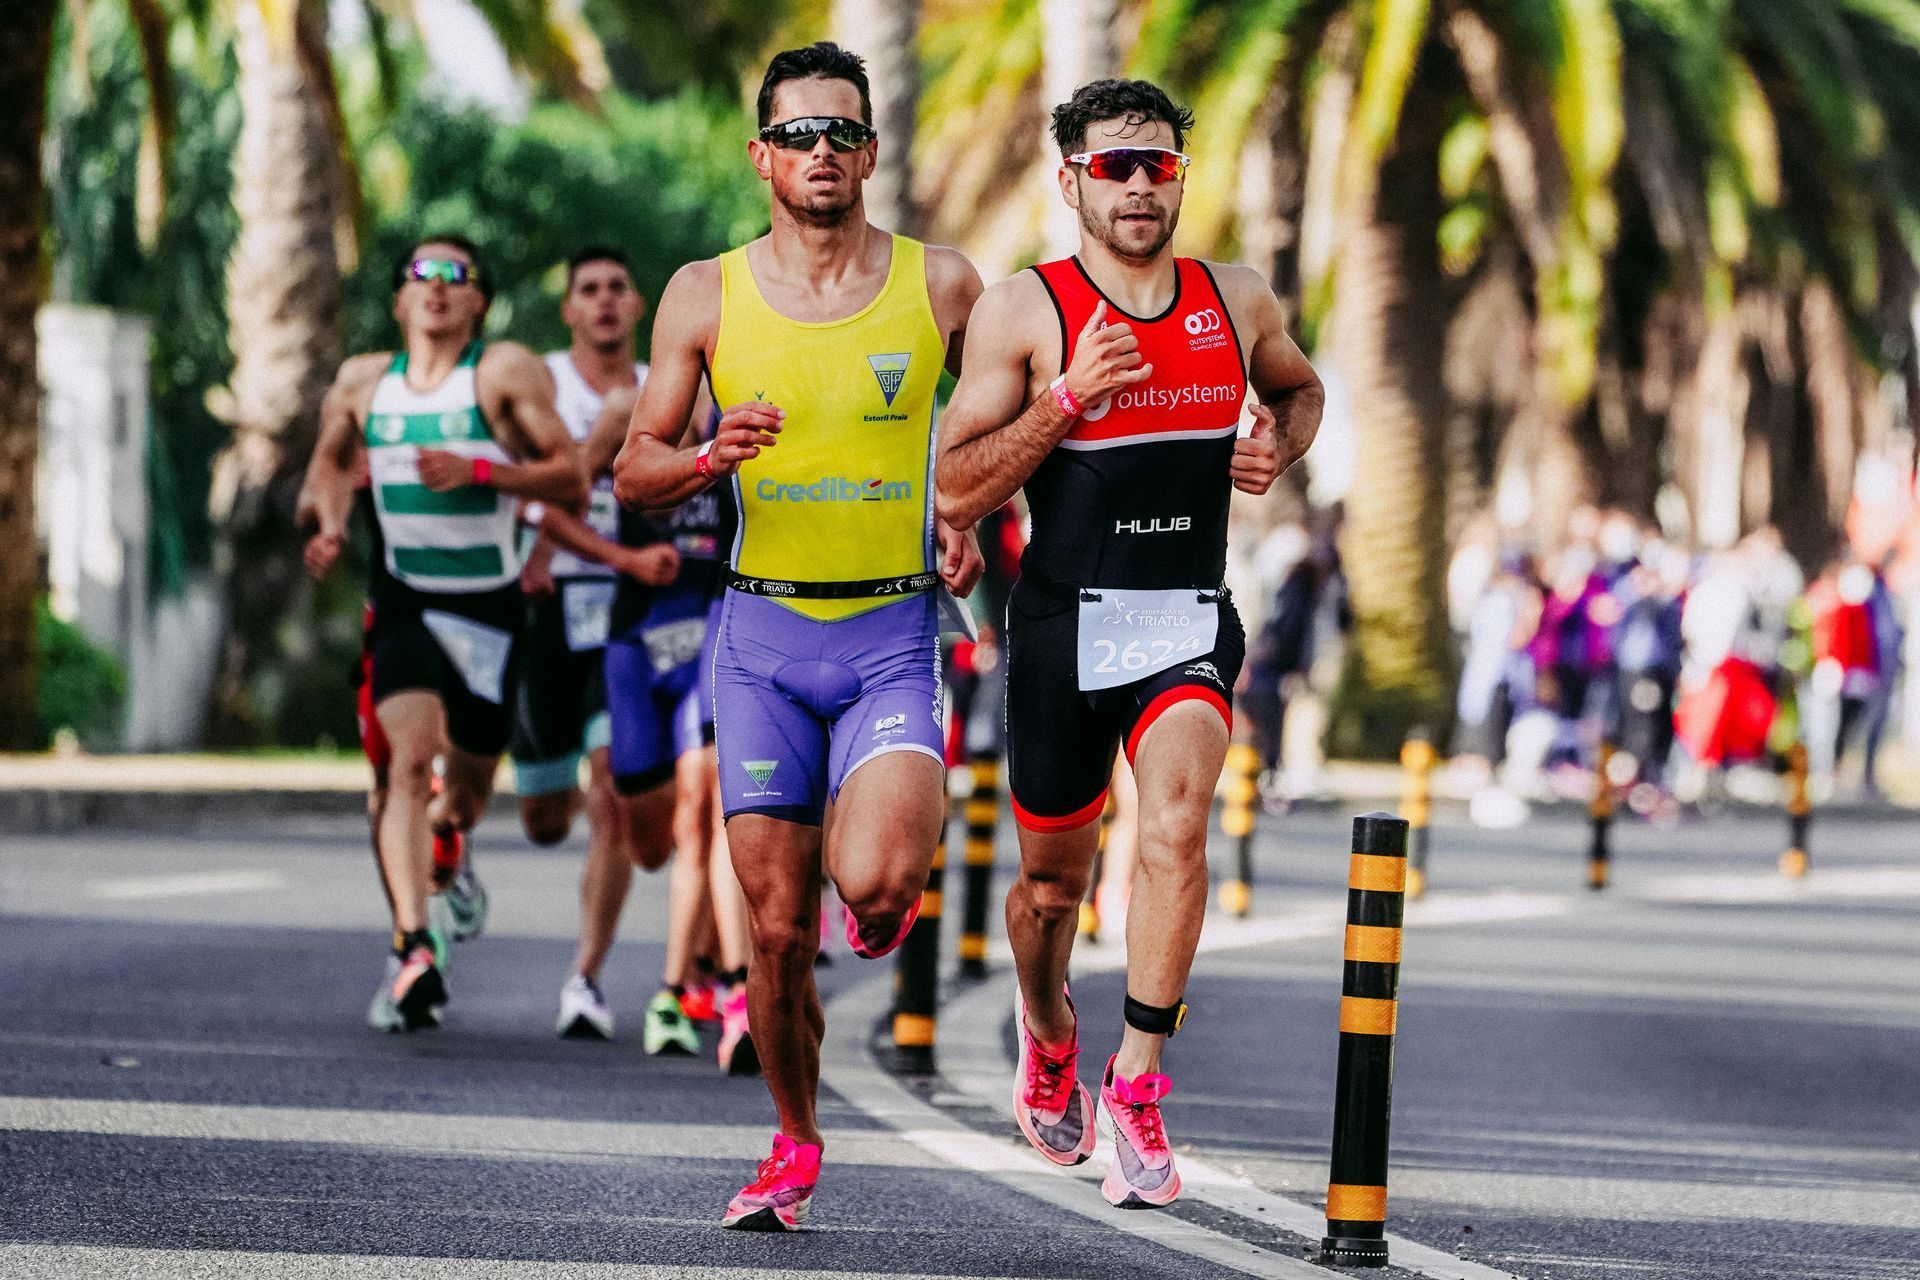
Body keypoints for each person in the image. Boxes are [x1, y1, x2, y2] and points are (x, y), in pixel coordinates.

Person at [613, 42, 984, 1231]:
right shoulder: (704, 294)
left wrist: (975, 511)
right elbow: (632, 469)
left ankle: (877, 888)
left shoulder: (943, 285)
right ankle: (794, 1137)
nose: (821, 150)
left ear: (870, 153)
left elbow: (1004, 418)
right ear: (762, 156)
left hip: (892, 629)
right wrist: (705, 457)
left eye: (843, 132)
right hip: (760, 636)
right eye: (798, 134)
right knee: (774, 932)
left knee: (873, 883)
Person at [937, 78, 1322, 1209]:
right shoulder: (1026, 310)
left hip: (1183, 616)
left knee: (1178, 822)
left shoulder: (1234, 299)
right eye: (1116, 166)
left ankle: (1139, 1080)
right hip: (1062, 624)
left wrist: (1277, 444)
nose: (1141, 185)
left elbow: (1302, 390)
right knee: (1050, 889)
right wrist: (1065, 400)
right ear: (1072, 182)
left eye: (1160, 165)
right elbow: (954, 487)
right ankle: (1049, 1023)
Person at [302, 233, 586, 1031]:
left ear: (477, 302)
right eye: (420, 273)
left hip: (490, 609)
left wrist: (482, 472)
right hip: (406, 603)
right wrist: (330, 523)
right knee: (405, 762)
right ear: (399, 298)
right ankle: (412, 944)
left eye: (454, 275)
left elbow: (572, 478)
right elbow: (328, 464)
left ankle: (450, 845)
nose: (435, 285)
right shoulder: (363, 382)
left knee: (463, 793)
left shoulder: (501, 374)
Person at [539, 378, 758, 1069]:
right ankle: (699, 958)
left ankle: (716, 985)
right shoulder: (624, 413)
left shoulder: (740, 412)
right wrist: (623, 558)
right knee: (651, 842)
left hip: (713, 633)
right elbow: (555, 511)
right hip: (636, 642)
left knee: (707, 809)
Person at [501, 246, 662, 1041]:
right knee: (543, 818)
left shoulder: (662, 390)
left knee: (611, 794)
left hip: (628, 610)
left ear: (638, 306)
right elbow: (531, 496)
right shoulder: (541, 385)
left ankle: (585, 977)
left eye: (616, 288)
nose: (602, 301)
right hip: (547, 604)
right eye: (588, 289)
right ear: (568, 310)